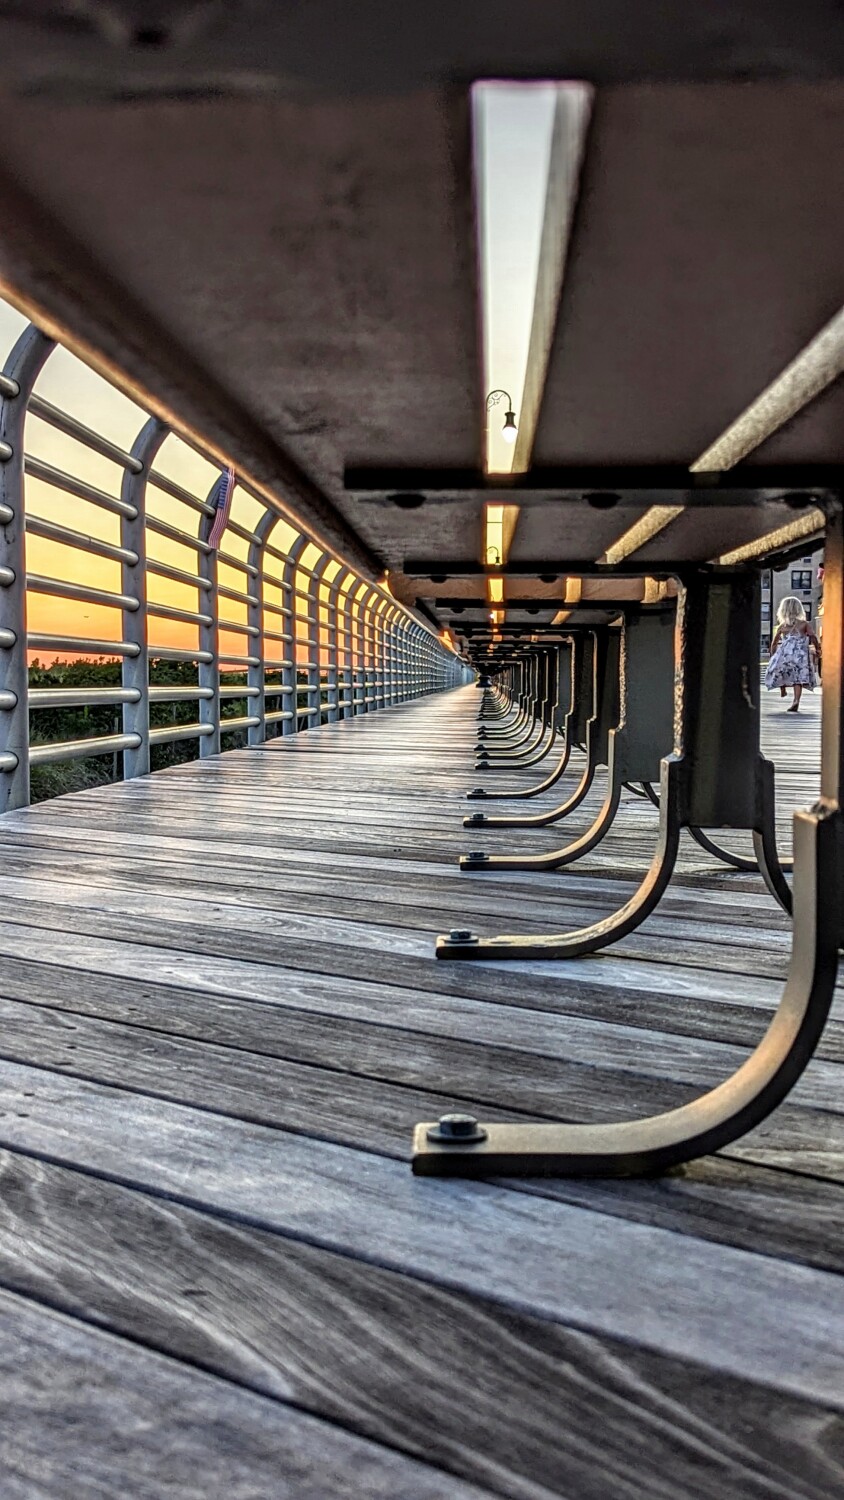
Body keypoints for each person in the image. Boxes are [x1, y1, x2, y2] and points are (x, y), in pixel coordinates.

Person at [764, 596, 820, 712]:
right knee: (797, 679)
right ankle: (796, 700)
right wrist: (818, 648)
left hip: (784, 654)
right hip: (800, 655)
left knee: (779, 670)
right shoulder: (804, 624)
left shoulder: (782, 626)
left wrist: (773, 656)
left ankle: (782, 688)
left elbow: (774, 643)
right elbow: (813, 636)